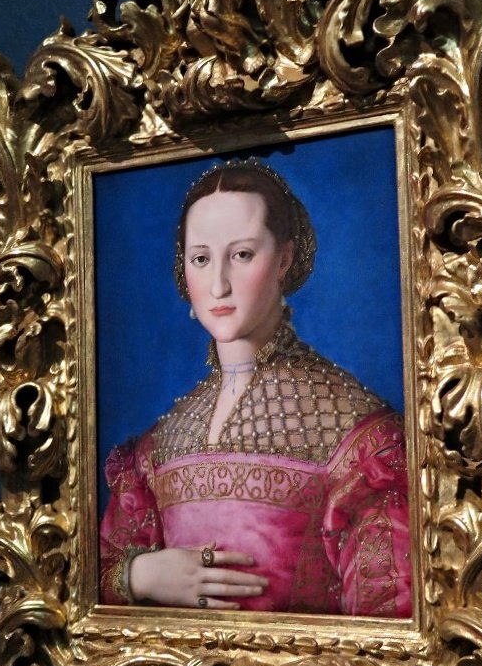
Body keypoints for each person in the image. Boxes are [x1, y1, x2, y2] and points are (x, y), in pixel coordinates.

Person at [99, 159, 411, 616]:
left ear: (284, 259)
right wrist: (138, 575)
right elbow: (89, 585)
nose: (218, 285)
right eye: (201, 259)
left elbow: (390, 616)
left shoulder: (358, 430)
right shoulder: (162, 441)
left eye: (242, 254)